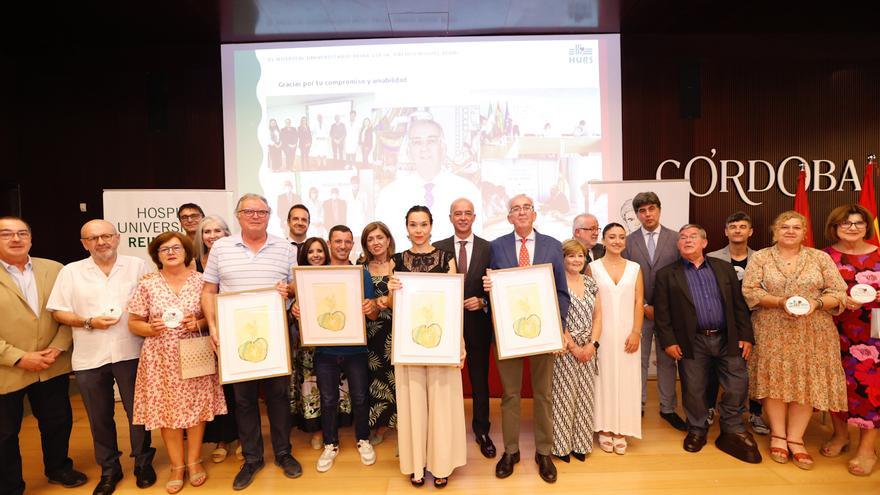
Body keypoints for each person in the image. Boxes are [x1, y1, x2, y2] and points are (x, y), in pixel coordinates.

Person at [47, 220, 156, 495]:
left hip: (132, 351)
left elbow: (152, 303)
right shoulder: (71, 272)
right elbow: (58, 312)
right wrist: (88, 322)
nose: (101, 242)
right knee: (99, 417)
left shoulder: (137, 266)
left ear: (117, 238)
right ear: (84, 243)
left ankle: (143, 463)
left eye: (106, 235)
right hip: (89, 355)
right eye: (92, 238)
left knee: (139, 412)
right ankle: (110, 469)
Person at [201, 193, 301, 490]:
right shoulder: (220, 247)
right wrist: (213, 326)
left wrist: (289, 290)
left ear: (269, 215)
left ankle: (283, 453)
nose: (256, 215)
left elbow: (296, 285)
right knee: (243, 399)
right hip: (235, 336)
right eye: (249, 211)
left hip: (275, 333)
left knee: (278, 397)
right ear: (238, 215)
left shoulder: (284, 247)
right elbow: (209, 291)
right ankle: (252, 457)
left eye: (262, 211)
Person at [742, 210, 847, 470]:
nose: (790, 231)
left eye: (796, 227)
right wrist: (780, 302)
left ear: (804, 232)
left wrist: (817, 303)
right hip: (772, 329)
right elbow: (749, 290)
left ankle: (796, 439)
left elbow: (839, 292)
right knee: (774, 381)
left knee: (806, 383)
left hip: (813, 331)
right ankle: (778, 435)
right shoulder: (762, 258)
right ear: (774, 231)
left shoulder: (820, 258)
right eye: (784, 227)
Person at [128, 232, 227, 493]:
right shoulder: (147, 283)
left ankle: (194, 462)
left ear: (186, 251)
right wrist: (151, 328)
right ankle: (176, 466)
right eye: (164, 249)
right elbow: (134, 322)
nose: (171, 253)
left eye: (176, 248)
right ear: (156, 255)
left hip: (195, 351)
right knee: (167, 413)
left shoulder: (202, 282)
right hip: (160, 357)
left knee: (196, 410)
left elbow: (212, 317)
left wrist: (199, 322)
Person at [654, 225, 761, 463]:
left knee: (737, 383)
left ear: (704, 242)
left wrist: (746, 335)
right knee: (694, 387)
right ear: (678, 245)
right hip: (691, 341)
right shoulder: (666, 275)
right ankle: (697, 429)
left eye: (693, 236)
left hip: (727, 337)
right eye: (682, 238)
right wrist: (668, 342)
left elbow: (738, 305)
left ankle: (732, 427)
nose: (687, 240)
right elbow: (662, 315)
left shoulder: (724, 269)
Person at [483, 194, 569, 484]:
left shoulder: (553, 246)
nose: (521, 212)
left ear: (535, 214)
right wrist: (488, 286)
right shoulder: (496, 247)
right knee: (510, 395)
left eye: (526, 208)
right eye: (515, 209)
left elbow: (561, 291)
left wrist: (559, 327)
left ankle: (544, 452)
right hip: (508, 334)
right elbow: (492, 287)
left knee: (543, 394)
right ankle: (511, 451)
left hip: (544, 333)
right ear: (508, 217)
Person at [0, 217, 87, 495]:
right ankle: (11, 485)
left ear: (31, 238)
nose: (16, 239)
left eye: (22, 233)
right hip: (7, 368)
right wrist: (18, 357)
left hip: (52, 362)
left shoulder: (55, 269)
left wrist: (59, 346)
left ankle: (59, 467)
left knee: (58, 420)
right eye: (6, 234)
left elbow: (70, 311)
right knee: (4, 433)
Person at [388, 206, 467, 488]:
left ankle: (441, 464)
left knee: (441, 403)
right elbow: (391, 306)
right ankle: (416, 464)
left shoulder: (446, 259)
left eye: (423, 224)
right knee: (413, 403)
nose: (418, 230)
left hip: (441, 343)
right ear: (406, 228)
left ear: (431, 226)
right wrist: (391, 291)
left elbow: (454, 304)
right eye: (413, 224)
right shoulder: (395, 261)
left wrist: (458, 345)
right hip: (409, 344)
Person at [292, 227, 378, 473]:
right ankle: (331, 444)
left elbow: (372, 314)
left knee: (360, 397)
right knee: (328, 399)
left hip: (356, 349)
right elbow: (302, 309)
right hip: (325, 351)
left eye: (347, 242)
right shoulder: (315, 275)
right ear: (330, 243)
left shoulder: (361, 275)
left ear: (352, 245)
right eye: (337, 241)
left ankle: (363, 439)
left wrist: (369, 307)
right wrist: (296, 311)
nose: (342, 245)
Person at [434, 198, 496, 458]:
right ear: (450, 217)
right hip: (444, 328)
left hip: (478, 325)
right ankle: (444, 432)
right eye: (457, 213)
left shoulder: (489, 248)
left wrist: (483, 301)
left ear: (474, 217)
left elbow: (499, 284)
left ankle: (482, 430)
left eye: (467, 213)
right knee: (445, 382)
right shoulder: (436, 248)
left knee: (480, 380)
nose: (462, 217)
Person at [821, 204, 880, 476]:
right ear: (835, 228)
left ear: (867, 226)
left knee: (870, 389)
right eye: (845, 223)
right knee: (836, 384)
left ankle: (867, 447)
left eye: (858, 223)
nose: (852, 227)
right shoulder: (823, 257)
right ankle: (840, 434)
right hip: (832, 329)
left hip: (874, 333)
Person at [621, 191, 686, 431]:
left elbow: (682, 274)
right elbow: (626, 277)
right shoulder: (628, 240)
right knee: (637, 360)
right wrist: (645, 305)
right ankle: (635, 405)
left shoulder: (676, 238)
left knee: (668, 361)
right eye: (642, 211)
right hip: (638, 310)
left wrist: (662, 307)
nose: (647, 214)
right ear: (637, 214)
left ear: (659, 210)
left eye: (651, 209)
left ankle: (668, 408)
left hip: (669, 313)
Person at [374, 115, 483, 245]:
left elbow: (477, 245)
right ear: (409, 150)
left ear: (443, 147)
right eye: (417, 142)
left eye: (431, 141)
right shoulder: (389, 195)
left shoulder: (467, 191)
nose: (424, 148)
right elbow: (381, 245)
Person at [706, 212, 769, 436]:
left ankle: (755, 412)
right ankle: (711, 408)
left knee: (755, 367)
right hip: (724, 320)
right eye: (733, 227)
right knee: (716, 366)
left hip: (757, 318)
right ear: (726, 231)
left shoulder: (763, 258)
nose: (738, 231)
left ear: (750, 231)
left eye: (743, 227)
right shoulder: (712, 257)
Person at [289, 237, 347, 451]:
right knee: (311, 387)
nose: (316, 255)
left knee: (332, 390)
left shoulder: (335, 275)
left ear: (326, 253)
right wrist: (294, 306)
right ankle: (317, 430)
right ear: (305, 255)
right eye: (311, 251)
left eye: (320, 251)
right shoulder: (299, 279)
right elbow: (292, 301)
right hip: (308, 345)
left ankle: (334, 428)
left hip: (332, 342)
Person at [591, 222, 644, 454]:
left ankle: (622, 428)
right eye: (611, 237)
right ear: (603, 240)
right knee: (602, 378)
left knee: (626, 379)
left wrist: (636, 332)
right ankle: (604, 427)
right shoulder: (592, 267)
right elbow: (589, 303)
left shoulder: (635, 268)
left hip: (627, 333)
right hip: (601, 333)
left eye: (621, 237)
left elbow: (638, 302)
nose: (616, 241)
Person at [192, 216, 239, 464]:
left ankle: (239, 436)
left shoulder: (235, 258)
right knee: (213, 387)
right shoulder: (192, 264)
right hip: (204, 332)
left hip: (235, 329)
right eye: (207, 231)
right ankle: (221, 439)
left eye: (217, 230)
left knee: (234, 386)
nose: (212, 235)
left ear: (227, 233)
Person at [551, 240, 601, 462]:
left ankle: (581, 445)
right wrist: (573, 347)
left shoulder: (591, 283)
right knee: (564, 398)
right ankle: (561, 448)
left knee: (584, 397)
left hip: (589, 349)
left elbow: (598, 316)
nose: (576, 260)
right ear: (563, 259)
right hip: (565, 348)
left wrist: (592, 345)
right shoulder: (555, 284)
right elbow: (556, 317)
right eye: (571, 256)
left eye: (580, 256)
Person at [360, 222, 397, 444]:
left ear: (388, 239)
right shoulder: (360, 267)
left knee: (397, 375)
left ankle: (402, 421)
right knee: (376, 376)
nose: (375, 242)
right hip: (371, 330)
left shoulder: (400, 263)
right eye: (370, 239)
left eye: (379, 237)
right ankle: (380, 424)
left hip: (397, 328)